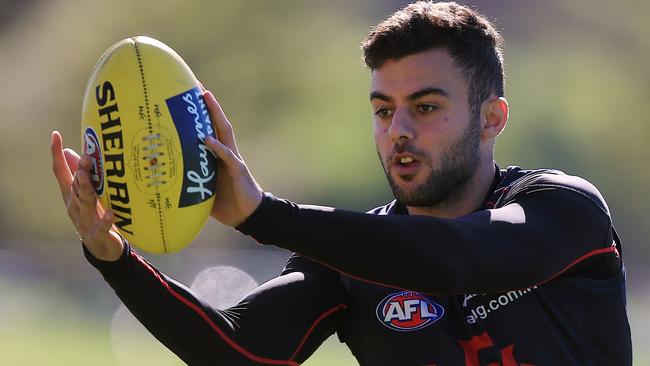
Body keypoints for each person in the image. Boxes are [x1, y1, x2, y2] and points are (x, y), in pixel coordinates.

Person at [51, 1, 632, 365]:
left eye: (425, 108)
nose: (397, 131)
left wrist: (265, 216)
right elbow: (244, 350)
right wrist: (113, 256)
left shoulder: (565, 210)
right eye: (383, 110)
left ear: (492, 118)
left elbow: (458, 258)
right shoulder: (348, 260)